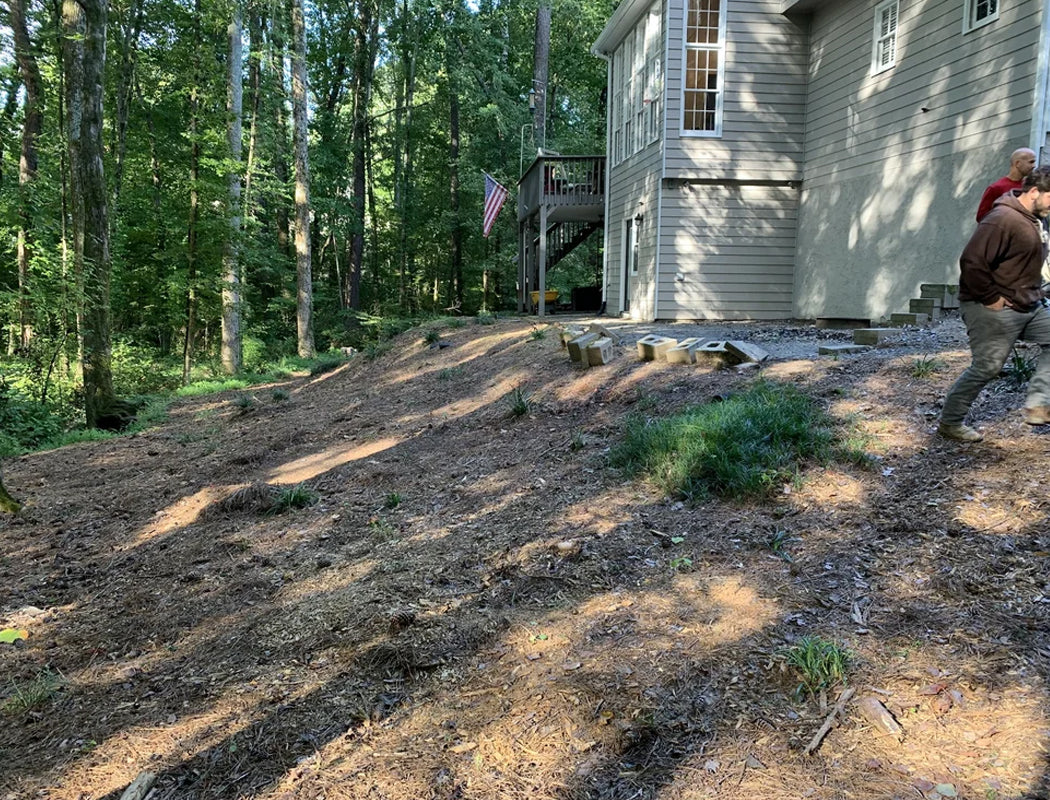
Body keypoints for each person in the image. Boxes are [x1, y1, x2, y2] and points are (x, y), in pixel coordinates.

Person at [938, 165, 1050, 442]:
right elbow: (972, 262)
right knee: (987, 368)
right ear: (1034, 191)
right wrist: (992, 298)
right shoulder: (1001, 218)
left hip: (1028, 304)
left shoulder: (1036, 219)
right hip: (990, 306)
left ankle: (1039, 403)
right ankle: (950, 423)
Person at [975, 147, 1037, 222]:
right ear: (1018, 163)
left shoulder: (1029, 187)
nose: (1034, 166)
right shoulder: (996, 188)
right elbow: (982, 217)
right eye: (1031, 162)